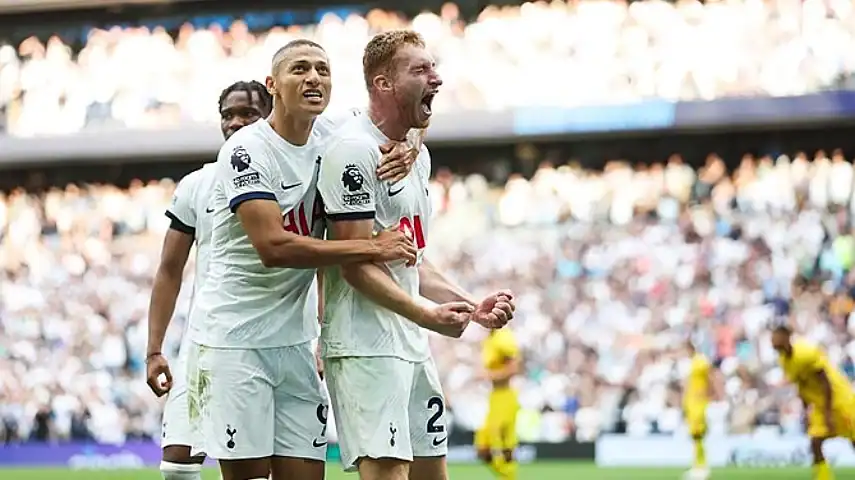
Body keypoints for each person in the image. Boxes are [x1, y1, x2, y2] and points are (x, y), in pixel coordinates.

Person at [185, 39, 419, 480]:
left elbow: (405, 111)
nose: (314, 77)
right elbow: (273, 247)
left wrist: (410, 145)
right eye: (300, 69)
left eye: (323, 70)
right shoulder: (245, 151)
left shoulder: (335, 134)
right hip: (235, 343)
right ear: (272, 85)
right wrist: (372, 246)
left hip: (295, 343)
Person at [317, 29, 516, 480]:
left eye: (434, 67)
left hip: (408, 342)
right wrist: (427, 315)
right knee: (388, 472)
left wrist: (470, 305)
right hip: (365, 345)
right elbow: (356, 264)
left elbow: (413, 259)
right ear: (383, 84)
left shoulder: (415, 156)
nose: (437, 78)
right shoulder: (352, 150)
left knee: (432, 472)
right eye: (421, 69)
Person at [146, 80, 272, 480]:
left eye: (247, 114)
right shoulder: (197, 184)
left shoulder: (298, 175)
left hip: (268, 344)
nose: (235, 124)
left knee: (249, 473)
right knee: (176, 468)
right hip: (202, 345)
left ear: (270, 116)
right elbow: (169, 269)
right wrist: (154, 349)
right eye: (227, 115)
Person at [772, 324, 855, 480]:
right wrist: (806, 411)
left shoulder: (805, 353)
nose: (772, 341)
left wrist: (829, 414)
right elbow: (801, 384)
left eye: (775, 337)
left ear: (786, 337)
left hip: (839, 400)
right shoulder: (783, 360)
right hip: (819, 404)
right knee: (815, 442)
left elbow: (826, 383)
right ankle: (824, 478)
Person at [475, 328, 521, 480]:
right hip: (494, 396)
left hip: (505, 396)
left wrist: (489, 376)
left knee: (506, 444)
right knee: (483, 447)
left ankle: (509, 476)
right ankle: (506, 476)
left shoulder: (504, 337)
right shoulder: (489, 338)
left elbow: (514, 368)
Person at [681, 341, 716, 480]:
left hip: (699, 401)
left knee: (699, 434)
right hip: (691, 401)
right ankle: (697, 465)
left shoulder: (701, 361)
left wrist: (713, 395)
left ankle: (702, 466)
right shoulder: (689, 363)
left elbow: (711, 378)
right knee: (694, 435)